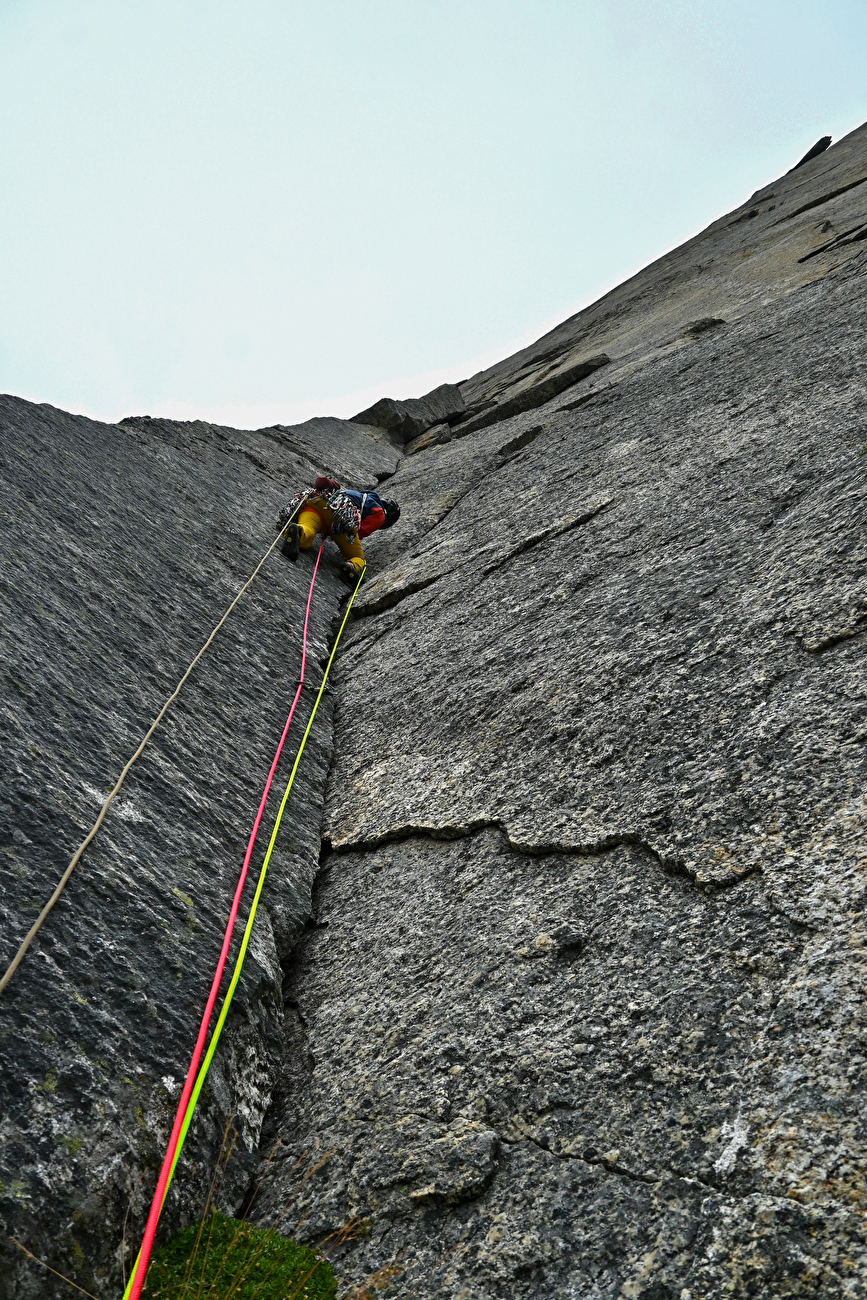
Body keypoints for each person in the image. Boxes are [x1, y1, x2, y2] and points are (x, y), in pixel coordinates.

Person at [279, 476, 401, 587]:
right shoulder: (379, 513)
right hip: (341, 515)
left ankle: (298, 533)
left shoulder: (355, 495)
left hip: (315, 503)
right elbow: (358, 533)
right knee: (357, 557)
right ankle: (351, 566)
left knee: (308, 527)